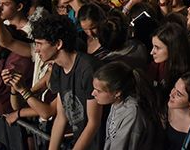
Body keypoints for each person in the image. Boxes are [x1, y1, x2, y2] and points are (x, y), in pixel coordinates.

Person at [34, 13, 103, 150]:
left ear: (58, 44)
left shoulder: (88, 68)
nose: (36, 49)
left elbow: (93, 122)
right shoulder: (58, 68)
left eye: (40, 44)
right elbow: (62, 115)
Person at [92, 60, 160, 149]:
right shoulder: (115, 103)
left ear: (117, 93)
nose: (93, 93)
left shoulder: (132, 114)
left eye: (99, 91)